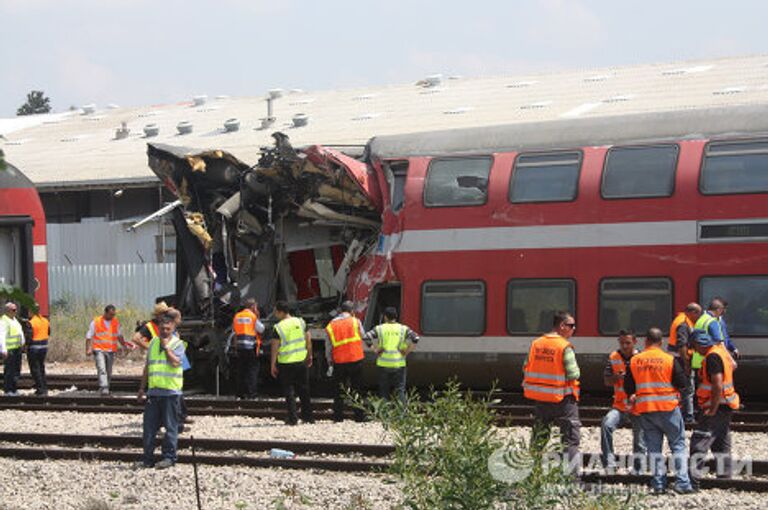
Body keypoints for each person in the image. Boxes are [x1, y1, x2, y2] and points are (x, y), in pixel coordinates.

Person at [625, 328, 694, 495]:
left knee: (654, 449)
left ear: (646, 341)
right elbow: (683, 384)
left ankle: (658, 485)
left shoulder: (635, 361)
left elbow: (628, 387)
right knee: (677, 445)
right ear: (661, 342)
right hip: (669, 409)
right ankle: (683, 483)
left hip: (647, 411)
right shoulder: (669, 359)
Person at [522, 311, 581, 468]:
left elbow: (525, 367)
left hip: (541, 399)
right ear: (562, 326)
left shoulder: (536, 343)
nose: (574, 329)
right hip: (563, 399)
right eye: (571, 326)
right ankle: (572, 482)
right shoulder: (564, 346)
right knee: (570, 440)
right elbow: (574, 373)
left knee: (538, 438)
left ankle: (531, 476)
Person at [688, 329, 740, 489]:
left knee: (700, 441)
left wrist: (712, 406)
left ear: (698, 344)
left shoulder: (712, 357)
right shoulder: (721, 351)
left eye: (694, 346)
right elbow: (734, 365)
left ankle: (692, 481)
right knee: (721, 441)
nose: (694, 350)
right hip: (727, 404)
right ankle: (724, 477)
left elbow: (717, 383)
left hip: (716, 405)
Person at [136, 314, 185, 469]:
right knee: (149, 428)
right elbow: (148, 366)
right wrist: (142, 388)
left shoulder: (178, 344)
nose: (164, 331)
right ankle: (147, 459)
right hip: (154, 393)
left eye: (168, 329)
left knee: (171, 428)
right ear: (158, 328)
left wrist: (166, 348)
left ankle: (169, 457)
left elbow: (176, 363)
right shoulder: (153, 343)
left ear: (173, 329)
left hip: (171, 393)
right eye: (162, 328)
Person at [600, 329, 646, 473]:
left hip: (638, 406)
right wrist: (617, 377)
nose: (624, 346)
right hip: (619, 405)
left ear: (634, 342)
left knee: (639, 441)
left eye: (628, 343)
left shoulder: (642, 358)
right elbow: (607, 381)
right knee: (606, 425)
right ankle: (610, 464)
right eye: (622, 343)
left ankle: (638, 469)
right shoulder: (614, 357)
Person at [270, 301, 314, 425]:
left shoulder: (278, 327)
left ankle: (293, 418)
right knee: (304, 390)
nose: (274, 314)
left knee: (289, 391)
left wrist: (273, 363)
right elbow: (308, 341)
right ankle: (308, 417)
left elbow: (275, 347)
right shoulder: (301, 322)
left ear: (281, 312)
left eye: (275, 311)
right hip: (301, 361)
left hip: (286, 363)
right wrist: (309, 355)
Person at [363, 307, 419, 404]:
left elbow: (366, 337)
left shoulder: (379, 328)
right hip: (399, 364)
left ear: (385, 317)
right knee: (400, 390)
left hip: (383, 364)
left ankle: (385, 414)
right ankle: (401, 415)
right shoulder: (403, 329)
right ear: (396, 317)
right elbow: (416, 338)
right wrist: (407, 351)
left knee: (384, 391)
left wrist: (375, 349)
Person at [325, 301, 366, 422]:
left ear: (339, 311)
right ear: (352, 311)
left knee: (339, 390)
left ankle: (338, 417)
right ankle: (359, 416)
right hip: (355, 359)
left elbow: (328, 346)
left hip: (339, 361)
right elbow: (362, 336)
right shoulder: (355, 321)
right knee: (357, 389)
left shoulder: (331, 325)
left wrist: (329, 361)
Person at [667, 303, 702, 423]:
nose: (699, 316)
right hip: (680, 360)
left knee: (683, 388)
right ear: (692, 312)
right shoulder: (683, 323)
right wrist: (687, 364)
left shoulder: (683, 320)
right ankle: (688, 417)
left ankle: (684, 414)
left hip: (678, 359)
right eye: (698, 313)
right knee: (687, 388)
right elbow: (681, 345)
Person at [85, 304, 129, 395]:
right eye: (111, 314)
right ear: (105, 313)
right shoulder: (96, 322)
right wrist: (88, 349)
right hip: (99, 349)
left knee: (108, 370)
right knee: (102, 368)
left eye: (114, 314)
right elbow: (89, 336)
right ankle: (104, 388)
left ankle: (106, 386)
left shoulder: (115, 322)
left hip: (111, 350)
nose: (112, 316)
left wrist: (124, 345)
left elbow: (119, 335)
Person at [231, 299, 265, 399]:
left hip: (240, 347)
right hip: (250, 347)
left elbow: (234, 332)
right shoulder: (252, 316)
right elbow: (261, 329)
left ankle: (239, 394)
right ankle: (252, 394)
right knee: (252, 371)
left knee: (241, 371)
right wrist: (258, 316)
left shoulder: (237, 316)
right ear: (253, 307)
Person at [690, 299, 727, 374]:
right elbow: (719, 343)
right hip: (709, 361)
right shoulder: (713, 322)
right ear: (718, 310)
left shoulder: (701, 319)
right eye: (722, 311)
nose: (722, 314)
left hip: (697, 361)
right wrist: (727, 359)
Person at [0, 302, 25, 396]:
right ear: (8, 311)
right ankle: (8, 390)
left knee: (16, 370)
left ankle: (14, 389)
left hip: (17, 349)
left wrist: (22, 343)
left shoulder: (14, 320)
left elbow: (20, 332)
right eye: (14, 310)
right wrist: (3, 350)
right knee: (9, 371)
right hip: (9, 349)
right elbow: (1, 336)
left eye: (16, 309)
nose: (16, 311)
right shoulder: (3, 321)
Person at [27, 307, 51, 396]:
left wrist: (26, 346)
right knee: (41, 368)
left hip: (34, 348)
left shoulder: (31, 322)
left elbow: (29, 337)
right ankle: (44, 388)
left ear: (31, 311)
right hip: (44, 347)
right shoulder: (45, 320)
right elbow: (49, 332)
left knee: (35, 369)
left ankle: (40, 389)